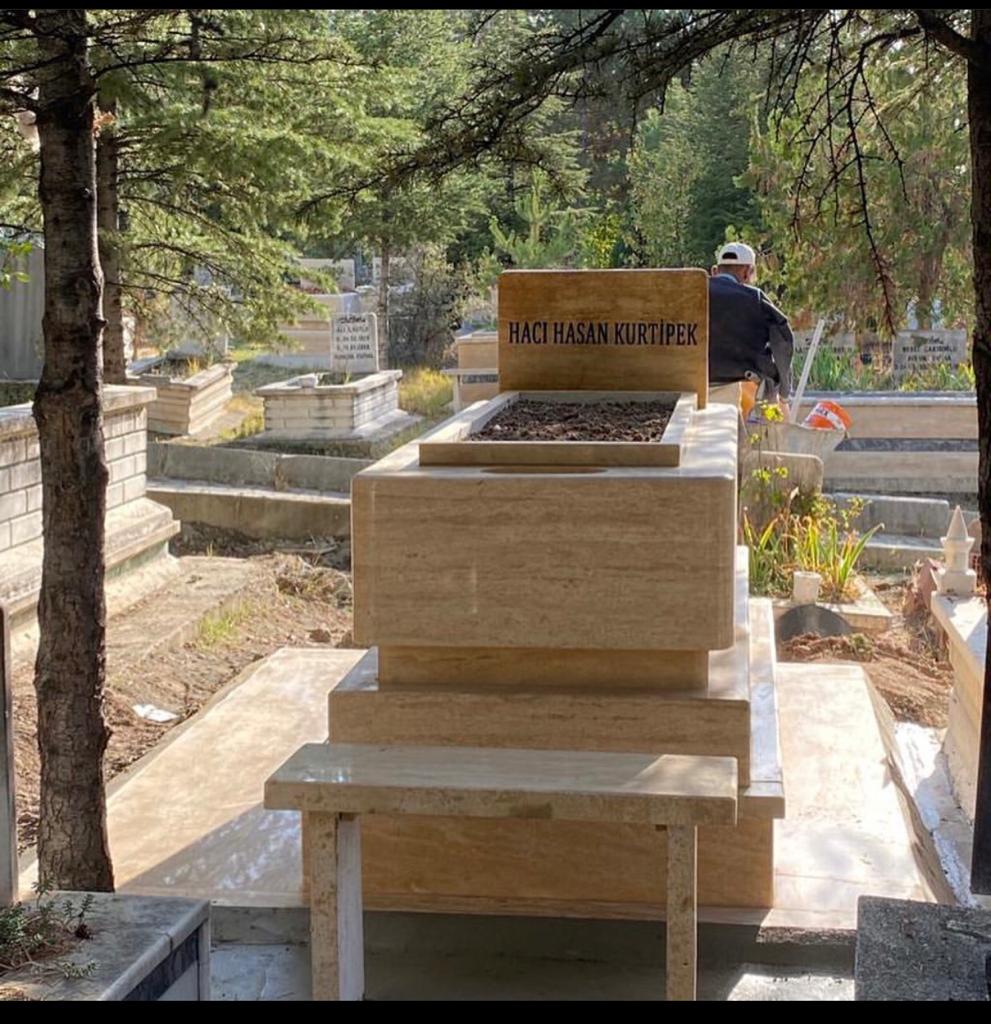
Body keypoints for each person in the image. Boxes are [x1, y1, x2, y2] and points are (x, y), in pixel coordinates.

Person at [707, 241, 794, 415]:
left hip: (693, 384)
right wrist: (784, 392)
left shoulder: (691, 292)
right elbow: (783, 342)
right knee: (774, 416)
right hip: (743, 386)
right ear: (747, 272)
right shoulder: (755, 298)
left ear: (715, 271)